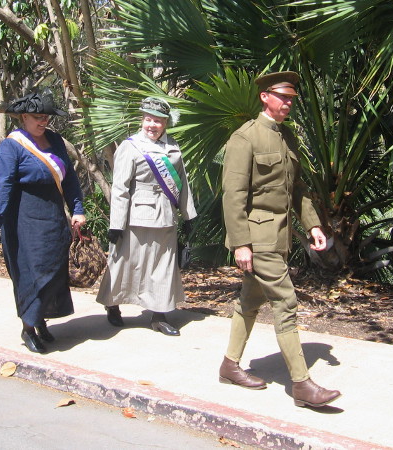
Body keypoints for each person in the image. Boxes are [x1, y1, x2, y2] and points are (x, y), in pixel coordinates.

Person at [218, 71, 341, 408]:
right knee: (285, 303)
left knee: (250, 300)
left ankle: (229, 366)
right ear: (264, 96)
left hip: (281, 235)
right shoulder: (246, 138)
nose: (288, 103)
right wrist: (241, 243)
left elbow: (297, 189)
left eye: (291, 98)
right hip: (258, 239)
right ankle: (301, 385)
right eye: (282, 97)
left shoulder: (287, 137)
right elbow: (233, 195)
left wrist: (314, 225)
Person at [0, 90, 86, 354]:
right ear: (24, 117)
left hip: (53, 216)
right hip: (24, 220)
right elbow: (1, 186)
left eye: (46, 118)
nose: (43, 122)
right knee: (36, 272)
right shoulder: (11, 147)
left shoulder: (55, 140)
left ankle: (40, 319)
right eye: (38, 117)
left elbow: (69, 178)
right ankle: (28, 326)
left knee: (56, 268)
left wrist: (77, 208)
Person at [95, 97, 197, 336]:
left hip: (165, 215)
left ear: (166, 123)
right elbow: (120, 188)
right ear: (142, 120)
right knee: (125, 262)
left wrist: (188, 214)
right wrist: (116, 225)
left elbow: (182, 183)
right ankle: (112, 304)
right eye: (148, 119)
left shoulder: (173, 146)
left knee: (164, 265)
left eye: (158, 121)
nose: (152, 125)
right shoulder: (130, 146)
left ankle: (159, 316)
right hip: (136, 216)